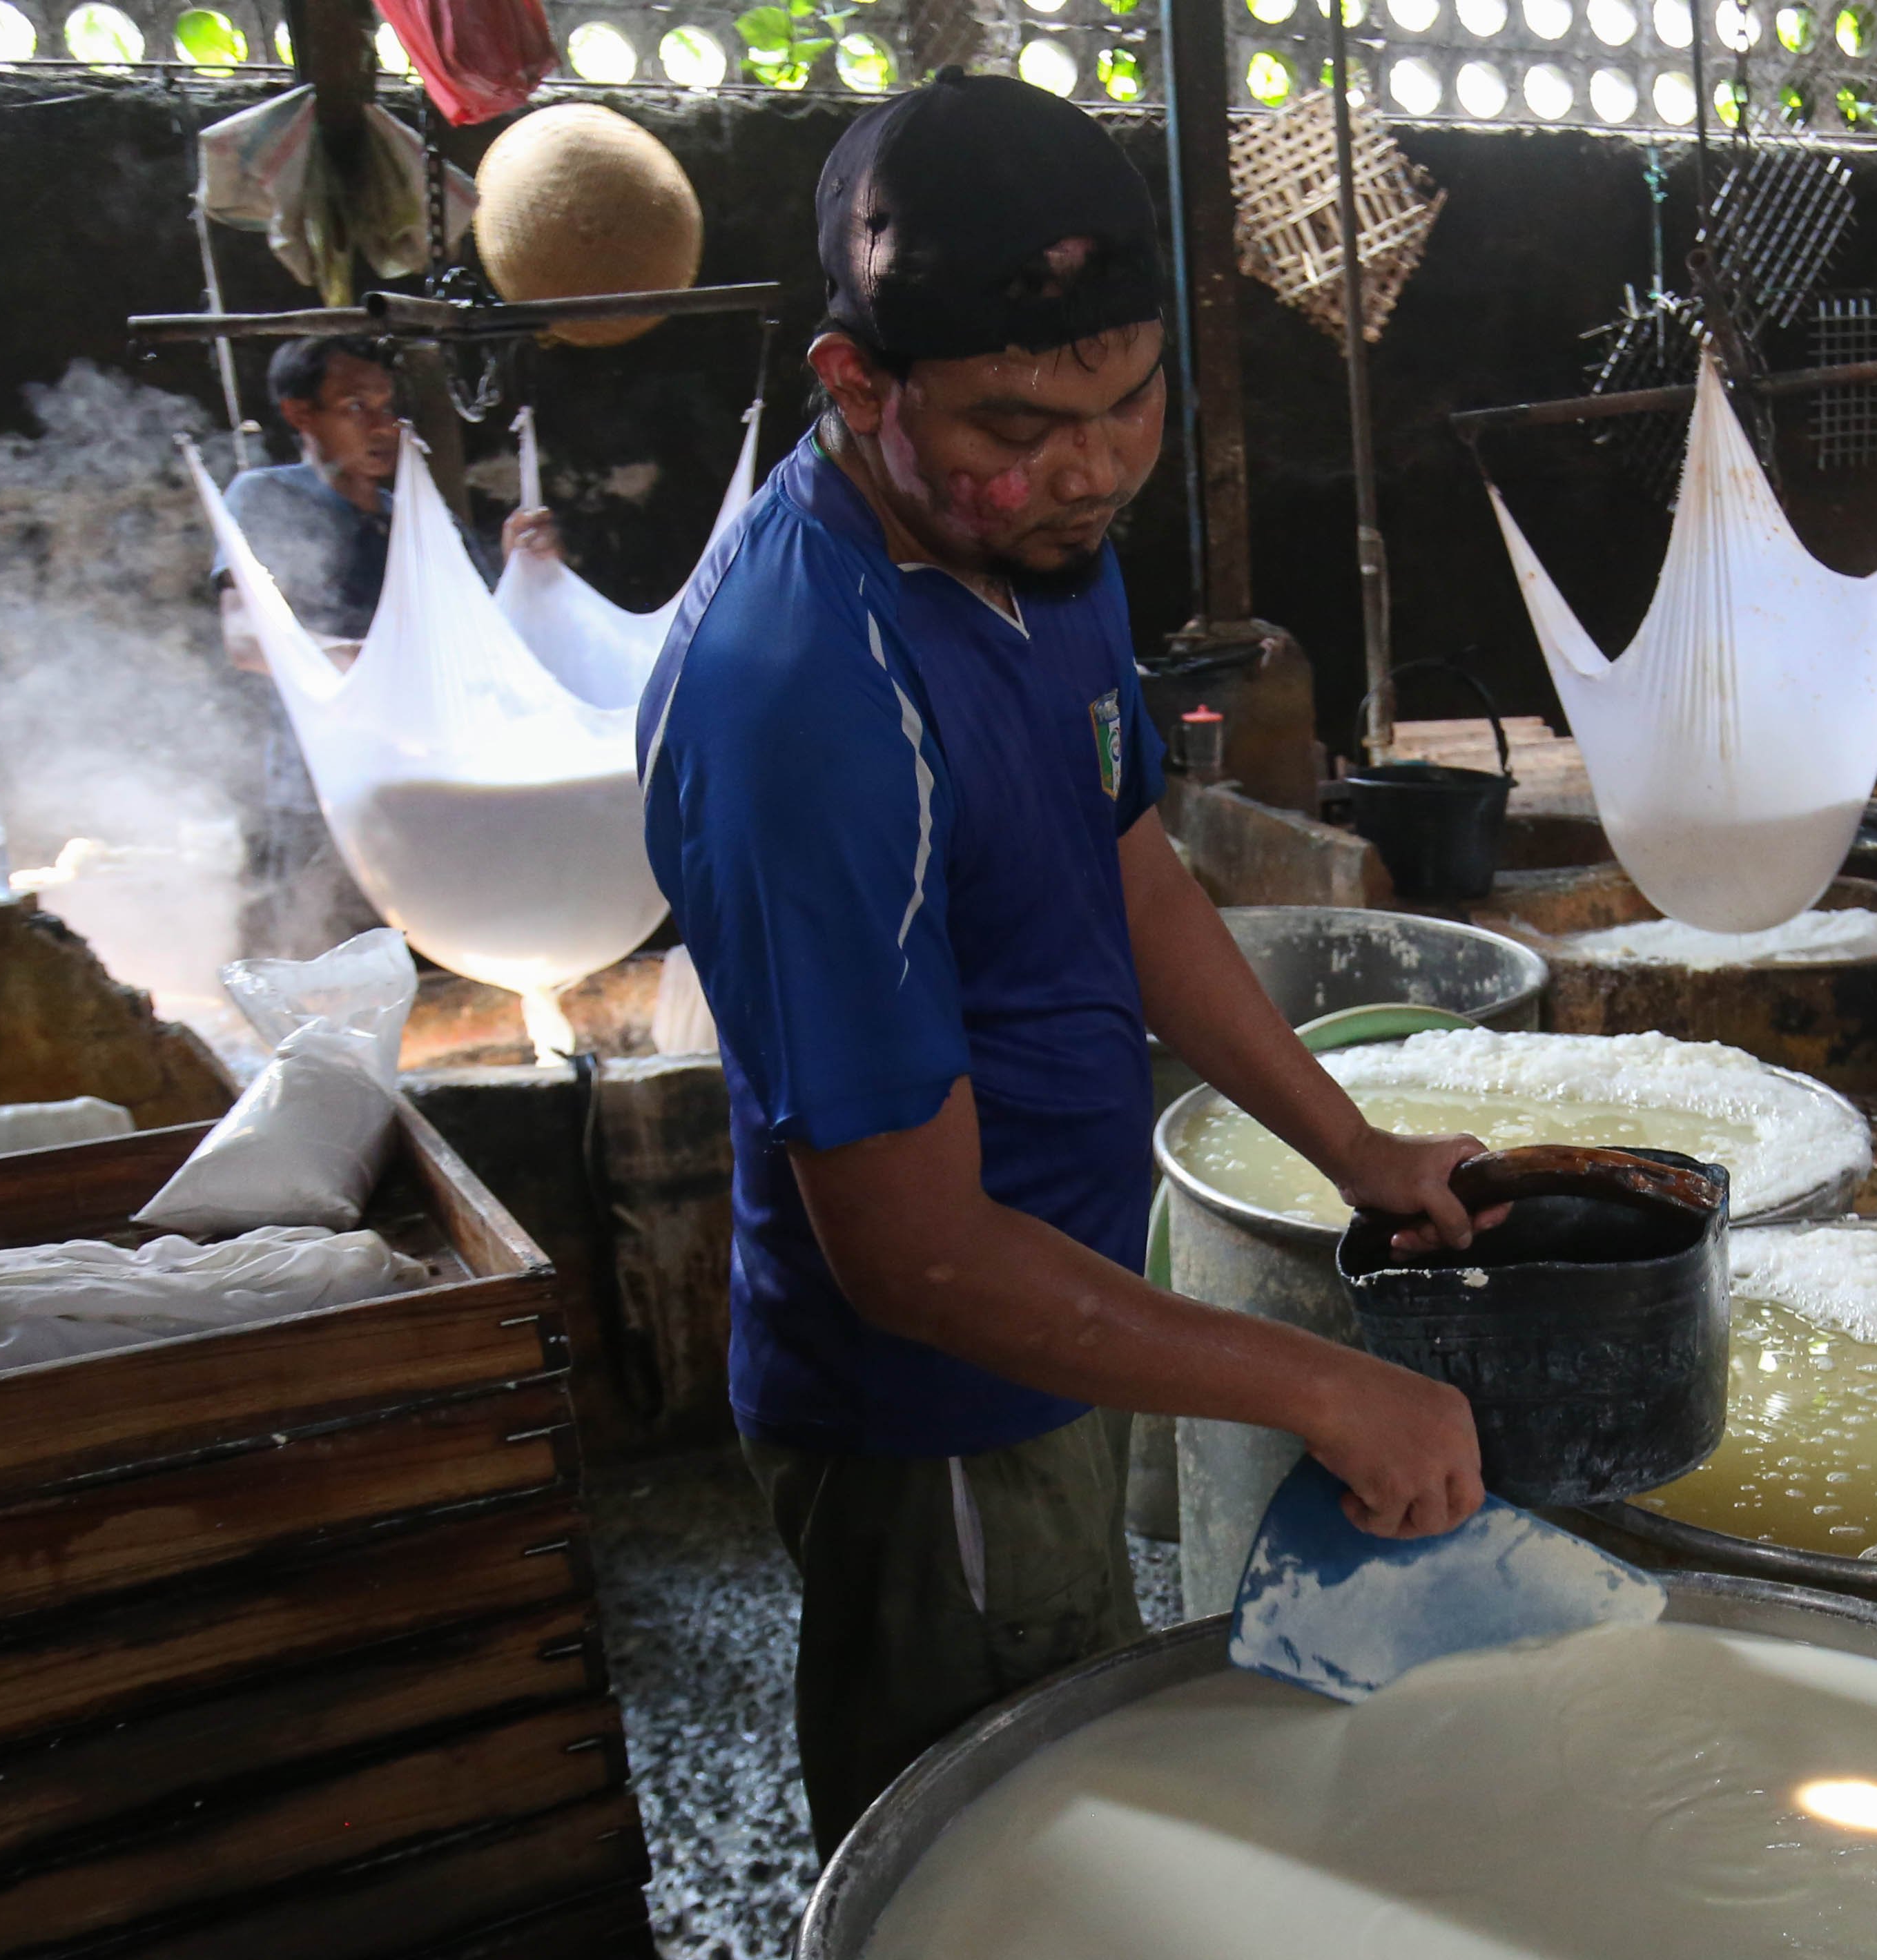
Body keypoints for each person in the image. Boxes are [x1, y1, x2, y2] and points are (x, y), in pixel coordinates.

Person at [638, 71, 1492, 1855]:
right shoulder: (801, 705)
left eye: (1130, 403)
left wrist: (1355, 1153)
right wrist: (1326, 1383)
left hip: (1060, 1338)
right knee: (991, 1876)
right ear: (855, 387)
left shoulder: (1038, 539)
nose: (1092, 464)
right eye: (1024, 419)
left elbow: (1126, 871)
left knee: (1077, 1786)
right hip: (935, 1413)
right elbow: (918, 1257)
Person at [215, 336, 558, 952]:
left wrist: (521, 571)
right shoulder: (266, 498)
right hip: (322, 797)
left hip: (434, 791)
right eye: (356, 406)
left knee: (449, 970)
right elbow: (245, 638)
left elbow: (484, 640)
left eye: (385, 406)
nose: (382, 426)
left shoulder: (421, 518)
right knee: (327, 974)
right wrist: (364, 664)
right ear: (301, 415)